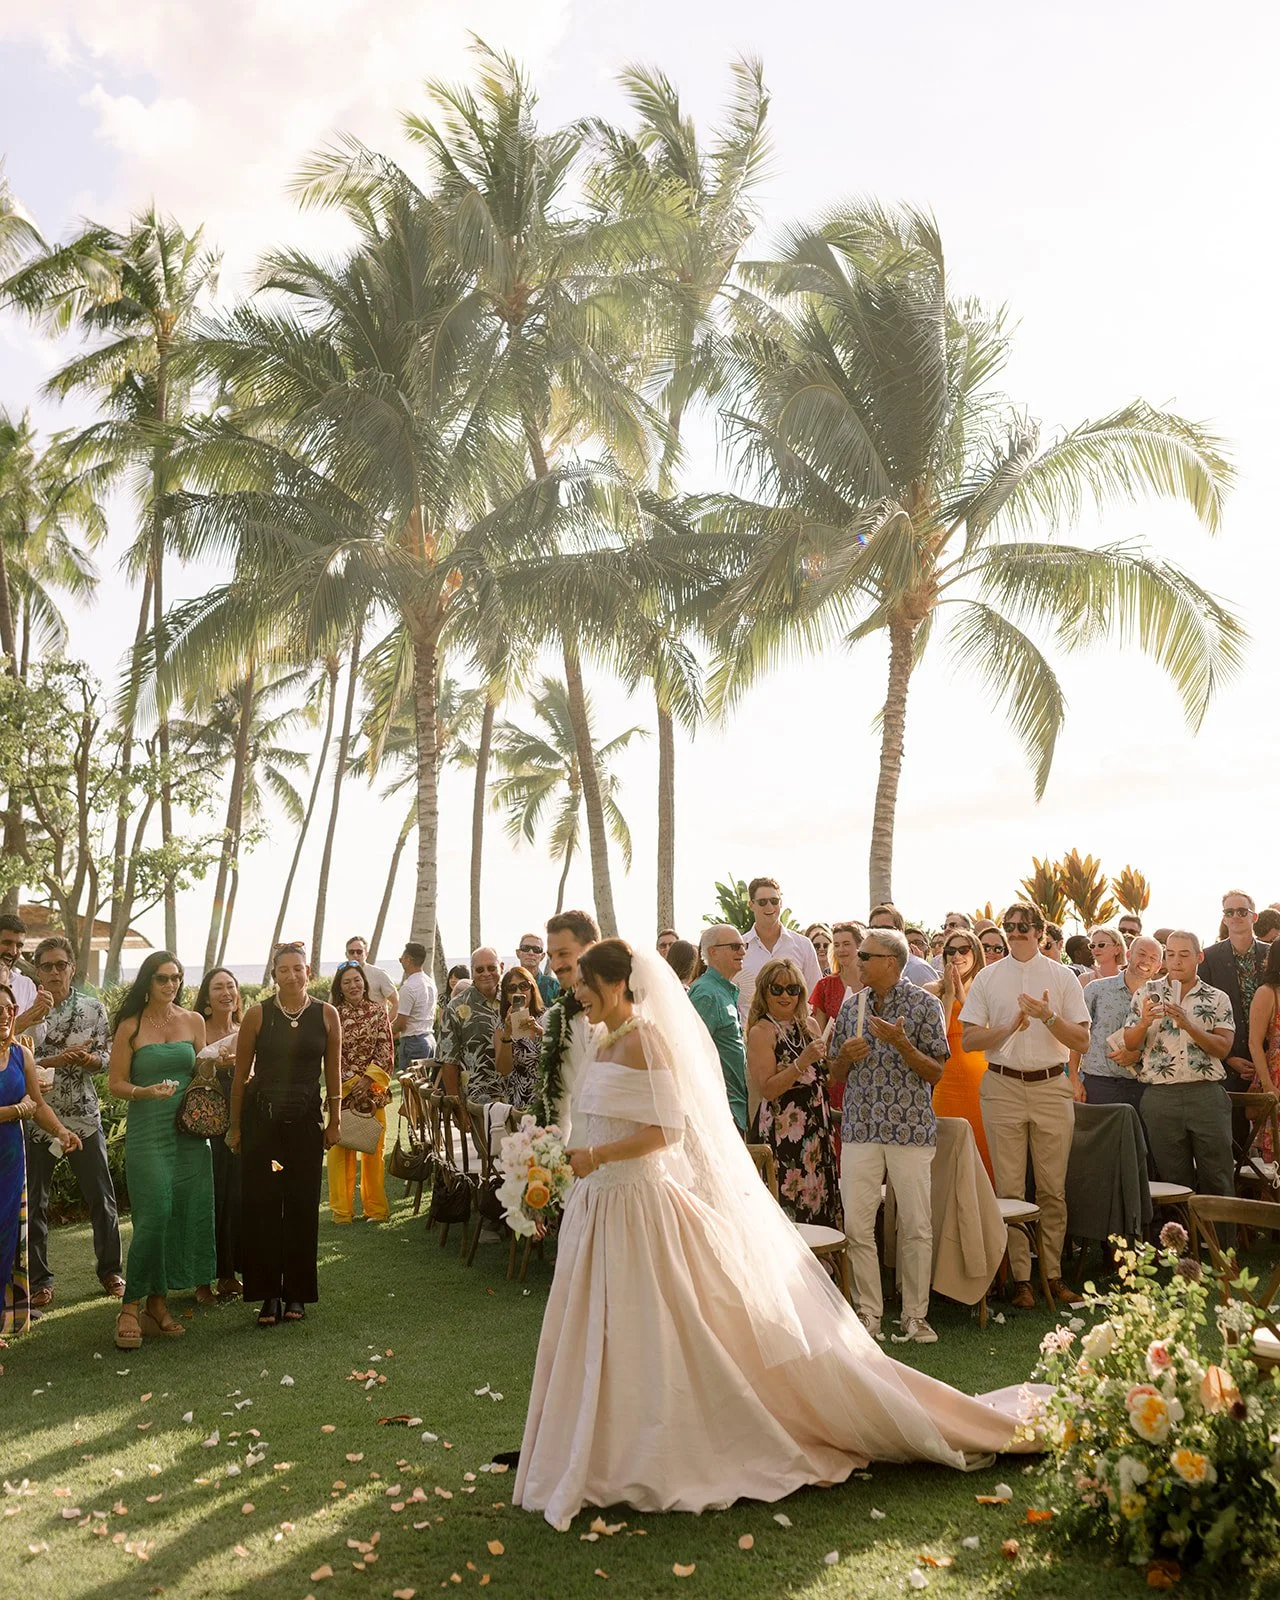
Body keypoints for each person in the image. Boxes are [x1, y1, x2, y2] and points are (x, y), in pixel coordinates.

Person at [513, 940, 1038, 1533]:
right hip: (600, 1206)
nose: (573, 991)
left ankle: (656, 1449)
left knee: (661, 1328)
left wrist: (597, 1155)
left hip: (638, 1204)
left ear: (615, 985)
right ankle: (603, 1443)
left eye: (583, 981)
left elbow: (669, 1129)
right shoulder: (601, 1041)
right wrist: (560, 1159)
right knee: (607, 1328)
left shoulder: (646, 1039)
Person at [961, 901, 1091, 1311]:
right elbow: (969, 1041)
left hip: (1052, 1085)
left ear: (1040, 932)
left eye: (1023, 926)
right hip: (1002, 1084)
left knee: (1053, 1189)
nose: (1015, 932)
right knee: (1010, 1189)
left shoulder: (1062, 976)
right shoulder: (987, 977)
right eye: (1009, 926)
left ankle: (1051, 1275)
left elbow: (1082, 1042)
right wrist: (1009, 1026)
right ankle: (1020, 1281)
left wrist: (1049, 1017)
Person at [830, 930, 948, 1343]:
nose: (855, 960)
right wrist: (844, 1056)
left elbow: (935, 1071)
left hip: (910, 1129)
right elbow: (834, 1075)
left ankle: (915, 1316)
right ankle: (868, 1315)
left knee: (916, 1224)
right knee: (859, 1225)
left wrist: (902, 1044)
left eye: (865, 955)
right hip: (861, 1128)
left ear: (891, 963)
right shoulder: (851, 1007)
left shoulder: (924, 1005)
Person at [229, 943, 341, 1326]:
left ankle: (297, 1292)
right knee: (263, 1205)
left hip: (307, 1123)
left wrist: (336, 1120)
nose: (291, 975)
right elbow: (242, 1076)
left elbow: (333, 1073)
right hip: (262, 1123)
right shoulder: (258, 1016)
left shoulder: (327, 1014)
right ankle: (268, 1295)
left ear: (308, 971)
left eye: (298, 969)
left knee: (301, 1204)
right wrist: (235, 1125)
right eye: (283, 970)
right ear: (273, 974)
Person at [107, 952, 213, 1349]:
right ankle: (129, 1306)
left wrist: (217, 1064)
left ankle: (158, 1303)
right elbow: (115, 1083)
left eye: (176, 978)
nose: (171, 985)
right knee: (155, 1215)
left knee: (180, 1214)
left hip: (188, 1132)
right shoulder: (130, 1027)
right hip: (148, 1131)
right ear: (148, 982)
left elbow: (202, 1069)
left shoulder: (193, 1021)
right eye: (163, 978)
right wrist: (144, 1092)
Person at [26, 935, 122, 1308]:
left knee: (102, 1198)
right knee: (35, 1202)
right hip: (37, 1117)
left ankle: (111, 1271)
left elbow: (108, 1055)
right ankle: (40, 1281)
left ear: (72, 968)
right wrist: (57, 1061)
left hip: (83, 1115)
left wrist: (89, 1061)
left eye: (60, 965)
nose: (53, 971)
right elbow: (17, 1059)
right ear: (38, 970)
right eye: (46, 965)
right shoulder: (23, 1011)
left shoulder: (93, 1009)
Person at [1123, 932, 1235, 1197]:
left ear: (1199, 956)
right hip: (1161, 1096)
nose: (1176, 961)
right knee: (1173, 1183)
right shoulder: (1147, 993)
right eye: (1170, 954)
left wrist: (1188, 1025)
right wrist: (1143, 1023)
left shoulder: (1217, 997)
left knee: (1218, 1176)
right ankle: (1181, 1238)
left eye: (1184, 955)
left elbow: (1222, 1047)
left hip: (1205, 1094)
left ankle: (1221, 1239)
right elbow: (1129, 1043)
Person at [1, 982, 82, 1335]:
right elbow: (24, 1107)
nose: (5, 1014)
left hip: (10, 1162)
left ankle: (3, 1318)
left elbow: (39, 1105)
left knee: (5, 1239)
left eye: (9, 1008)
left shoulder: (21, 1054)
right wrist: (14, 1110)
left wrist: (60, 1131)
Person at [747, 958, 842, 1231]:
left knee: (820, 1201)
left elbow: (828, 1078)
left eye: (793, 989)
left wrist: (837, 1054)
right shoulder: (761, 1031)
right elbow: (767, 1088)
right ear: (764, 992)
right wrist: (802, 1061)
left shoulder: (809, 1026)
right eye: (777, 989)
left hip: (817, 1130)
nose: (785, 995)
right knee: (790, 1207)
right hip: (785, 1132)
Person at [327, 961, 394, 1224]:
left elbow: (386, 1050)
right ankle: (341, 1212)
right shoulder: (332, 1014)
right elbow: (330, 1055)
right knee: (339, 1152)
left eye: (357, 980)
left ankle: (375, 1210)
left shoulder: (379, 1012)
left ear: (364, 984)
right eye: (347, 982)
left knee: (373, 1150)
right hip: (341, 1094)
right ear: (340, 988)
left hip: (373, 1092)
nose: (353, 985)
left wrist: (367, 1081)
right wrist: (349, 1084)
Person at [191, 966, 243, 1302]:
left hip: (240, 1122)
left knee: (236, 1200)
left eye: (230, 986)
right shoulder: (198, 1030)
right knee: (209, 1200)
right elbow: (190, 1072)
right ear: (207, 999)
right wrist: (215, 1066)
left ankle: (229, 1274)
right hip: (207, 1125)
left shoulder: (245, 1030)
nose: (225, 993)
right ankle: (200, 1280)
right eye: (217, 988)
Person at [925, 928, 992, 1181]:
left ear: (975, 954)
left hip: (979, 1077)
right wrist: (949, 995)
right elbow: (937, 1036)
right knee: (946, 1147)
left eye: (964, 950)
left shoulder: (985, 988)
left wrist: (962, 996)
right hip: (946, 1078)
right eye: (950, 951)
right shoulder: (931, 989)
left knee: (982, 1147)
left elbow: (984, 1029)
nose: (957, 956)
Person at [532, 911, 603, 1142]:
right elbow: (558, 1102)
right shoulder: (556, 1018)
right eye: (551, 956)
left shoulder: (627, 1013)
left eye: (563, 954)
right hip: (577, 1158)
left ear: (591, 950)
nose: (555, 965)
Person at [1069, 936, 1161, 1111]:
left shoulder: (1162, 997)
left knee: (1140, 1138)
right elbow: (1077, 1035)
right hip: (1098, 1084)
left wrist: (1138, 1054)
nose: (1146, 961)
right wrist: (1074, 1078)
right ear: (1129, 955)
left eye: (1153, 958)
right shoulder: (1096, 989)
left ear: (1158, 966)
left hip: (1142, 1086)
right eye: (1141, 954)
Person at [688, 927, 749, 1134]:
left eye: (743, 946)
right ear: (712, 952)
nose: (742, 952)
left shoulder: (723, 990)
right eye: (735, 946)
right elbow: (692, 1056)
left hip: (732, 1111)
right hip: (719, 1114)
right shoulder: (706, 994)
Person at [736, 878, 821, 1024]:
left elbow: (816, 997)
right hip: (752, 1037)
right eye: (762, 902)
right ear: (751, 905)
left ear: (780, 903)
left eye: (774, 901)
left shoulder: (803, 945)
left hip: (796, 1038)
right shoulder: (739, 948)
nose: (769, 906)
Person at [809, 922, 863, 1145]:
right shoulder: (825, 985)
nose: (841, 950)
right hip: (834, 1067)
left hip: (864, 1064)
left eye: (847, 944)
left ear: (860, 946)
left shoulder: (872, 984)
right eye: (837, 944)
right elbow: (817, 1031)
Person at [1247, 939, 1280, 1162]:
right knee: (1275, 1162)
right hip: (1276, 1079)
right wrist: (1268, 1086)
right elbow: (1254, 1042)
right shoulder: (1268, 993)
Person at [494, 967, 545, 1110]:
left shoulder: (547, 1018)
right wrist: (507, 1034)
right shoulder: (502, 1024)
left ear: (532, 988)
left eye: (524, 986)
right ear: (506, 994)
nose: (519, 992)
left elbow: (561, 1055)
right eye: (511, 988)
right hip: (520, 1101)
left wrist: (540, 1032)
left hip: (549, 1096)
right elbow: (503, 1069)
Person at [0, 913, 51, 1036]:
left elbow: (36, 1041)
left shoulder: (25, 985)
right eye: (7, 943)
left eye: (19, 945)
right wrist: (16, 1027)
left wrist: (38, 1013)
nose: (13, 952)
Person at [392, 941, 437, 1072]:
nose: (401, 962)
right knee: (425, 1087)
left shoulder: (409, 987)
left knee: (410, 1089)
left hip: (413, 1042)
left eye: (401, 959)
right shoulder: (430, 983)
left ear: (407, 959)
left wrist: (388, 1029)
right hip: (429, 1039)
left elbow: (401, 1024)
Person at [867, 905, 936, 985]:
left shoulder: (918, 968)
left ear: (900, 933)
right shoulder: (871, 968)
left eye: (885, 929)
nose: (878, 934)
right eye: (873, 929)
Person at [343, 935, 398, 1017]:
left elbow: (396, 1003)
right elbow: (333, 1004)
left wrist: (385, 1026)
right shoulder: (341, 976)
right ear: (346, 954)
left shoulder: (379, 974)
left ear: (366, 954)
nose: (355, 955)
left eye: (359, 952)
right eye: (351, 952)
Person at [517, 935, 559, 1006]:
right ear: (518, 953)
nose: (530, 953)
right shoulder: (509, 984)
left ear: (542, 956)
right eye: (525, 948)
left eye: (536, 949)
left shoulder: (554, 986)